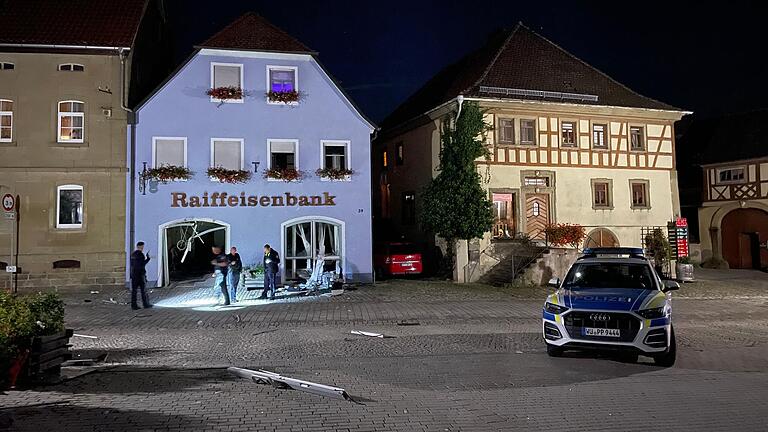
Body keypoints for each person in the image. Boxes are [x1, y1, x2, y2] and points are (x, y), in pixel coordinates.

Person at [130, 241, 151, 310]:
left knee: (134, 291)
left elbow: (132, 265)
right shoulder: (141, 255)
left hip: (134, 275)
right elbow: (142, 264)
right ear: (141, 246)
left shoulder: (132, 254)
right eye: (143, 246)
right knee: (143, 290)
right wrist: (148, 258)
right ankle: (146, 304)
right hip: (140, 275)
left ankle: (134, 305)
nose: (143, 248)